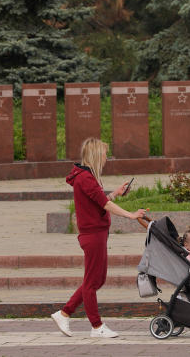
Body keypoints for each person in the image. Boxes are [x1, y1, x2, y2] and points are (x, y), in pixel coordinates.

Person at [50, 137, 145, 339]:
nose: (106, 157)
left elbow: (98, 200)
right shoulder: (85, 178)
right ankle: (96, 326)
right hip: (92, 235)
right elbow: (105, 205)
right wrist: (131, 215)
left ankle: (64, 313)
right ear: (95, 155)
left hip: (97, 233)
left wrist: (115, 193)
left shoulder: (87, 177)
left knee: (97, 280)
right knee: (92, 283)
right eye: (104, 153)